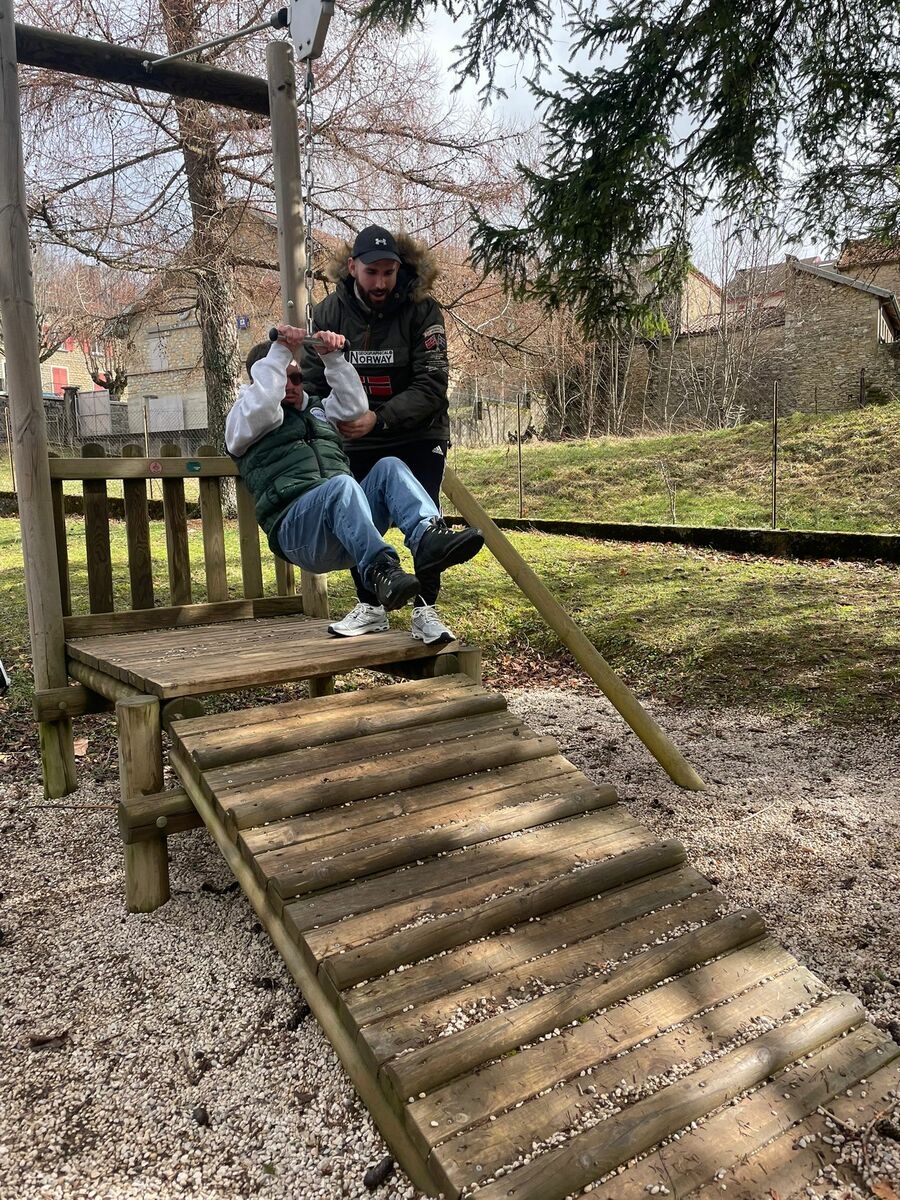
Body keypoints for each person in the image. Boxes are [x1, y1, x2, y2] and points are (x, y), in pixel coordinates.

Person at [224, 325, 483, 617]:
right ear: (262, 378)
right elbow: (263, 406)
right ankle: (380, 569)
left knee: (389, 467)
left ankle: (426, 538)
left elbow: (355, 408)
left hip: (345, 528)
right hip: (299, 532)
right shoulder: (242, 422)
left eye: (296, 377)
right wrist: (281, 351)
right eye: (281, 377)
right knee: (342, 485)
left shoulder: (319, 411)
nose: (290, 386)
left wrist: (333, 358)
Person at [301, 225, 456, 644]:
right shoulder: (328, 312)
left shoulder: (423, 310)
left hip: (417, 432)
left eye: (389, 272)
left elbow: (432, 384)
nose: (381, 283)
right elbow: (313, 382)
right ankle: (370, 605)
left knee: (425, 521)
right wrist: (327, 419)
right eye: (372, 272)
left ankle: (426, 610)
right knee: (358, 518)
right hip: (356, 438)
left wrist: (380, 418)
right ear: (353, 267)